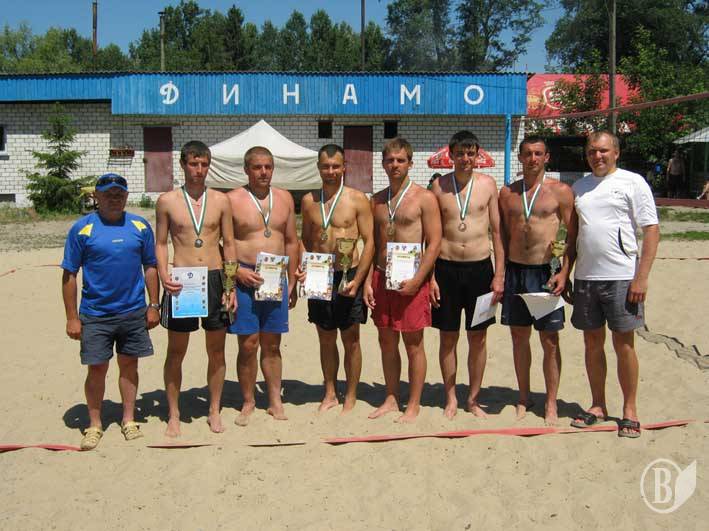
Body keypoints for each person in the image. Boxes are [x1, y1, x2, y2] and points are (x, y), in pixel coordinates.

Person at [568, 131, 660, 439]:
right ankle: (598, 405)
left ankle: (630, 410)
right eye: (592, 151)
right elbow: (573, 236)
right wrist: (566, 271)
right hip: (586, 277)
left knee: (624, 345)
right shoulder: (580, 187)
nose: (598, 156)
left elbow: (651, 230)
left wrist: (641, 277)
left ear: (616, 153)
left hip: (622, 277)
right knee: (592, 344)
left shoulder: (633, 182)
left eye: (603, 150)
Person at [61, 173, 160, 450]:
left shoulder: (140, 226)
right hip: (95, 314)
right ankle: (94, 425)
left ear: (126, 196)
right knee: (97, 369)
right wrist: (72, 317)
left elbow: (150, 266)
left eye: (119, 194)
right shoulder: (82, 229)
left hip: (133, 311)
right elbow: (69, 274)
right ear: (97, 196)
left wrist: (154, 305)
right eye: (108, 194)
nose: (114, 199)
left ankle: (129, 419)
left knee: (129, 365)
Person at [156, 141, 237, 437]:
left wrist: (230, 285)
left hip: (214, 277)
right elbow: (160, 243)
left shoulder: (221, 200)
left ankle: (214, 410)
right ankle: (174, 413)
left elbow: (229, 244)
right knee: (176, 351)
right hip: (182, 280)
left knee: (216, 350)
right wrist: (163, 274)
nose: (199, 170)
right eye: (193, 163)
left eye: (204, 164)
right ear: (183, 164)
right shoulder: (167, 201)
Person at [498, 136, 576, 425]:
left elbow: (572, 235)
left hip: (545, 273)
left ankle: (551, 401)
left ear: (547, 157)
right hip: (516, 271)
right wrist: (500, 271)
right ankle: (523, 396)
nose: (532, 158)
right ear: (520, 157)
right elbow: (501, 235)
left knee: (549, 340)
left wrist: (564, 272)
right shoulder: (507, 193)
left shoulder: (560, 191)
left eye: (538, 153)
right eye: (528, 153)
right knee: (519, 338)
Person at [364, 137, 442, 423]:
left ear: (410, 163)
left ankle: (414, 403)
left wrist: (420, 279)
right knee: (386, 341)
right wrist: (367, 281)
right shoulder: (377, 200)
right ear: (383, 164)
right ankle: (391, 397)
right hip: (382, 276)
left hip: (412, 279)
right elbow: (373, 244)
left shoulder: (424, 198)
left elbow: (434, 243)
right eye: (390, 160)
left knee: (413, 343)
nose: (394, 165)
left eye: (400, 160)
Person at [429, 130, 505, 419]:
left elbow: (497, 232)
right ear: (451, 155)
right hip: (446, 269)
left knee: (478, 338)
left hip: (480, 270)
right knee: (448, 337)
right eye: (459, 153)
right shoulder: (438, 187)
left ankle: (473, 398)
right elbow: (429, 237)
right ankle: (450, 397)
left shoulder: (488, 185)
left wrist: (499, 275)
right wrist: (431, 277)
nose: (465, 158)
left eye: (470, 153)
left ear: (477, 155)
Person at [297, 144, 374, 413]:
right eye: (325, 166)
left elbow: (370, 241)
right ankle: (330, 392)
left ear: (344, 168)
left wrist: (360, 279)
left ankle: (350, 394)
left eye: (335, 166)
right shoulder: (309, 200)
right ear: (318, 168)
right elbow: (305, 239)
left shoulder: (357, 199)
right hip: (319, 273)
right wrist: (304, 266)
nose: (330, 171)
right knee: (325, 337)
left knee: (351, 338)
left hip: (348, 273)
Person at [227, 146, 298, 425]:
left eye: (268, 166)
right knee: (248, 344)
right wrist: (235, 274)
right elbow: (221, 243)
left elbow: (291, 241)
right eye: (257, 167)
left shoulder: (285, 198)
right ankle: (248, 401)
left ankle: (275, 400)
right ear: (246, 169)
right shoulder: (231, 199)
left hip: (275, 278)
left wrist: (292, 280)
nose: (263, 172)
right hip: (245, 278)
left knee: (272, 343)